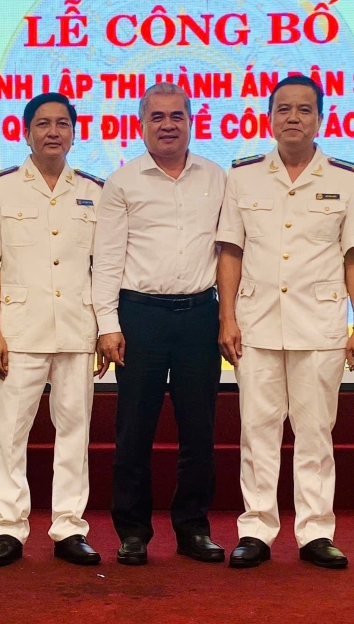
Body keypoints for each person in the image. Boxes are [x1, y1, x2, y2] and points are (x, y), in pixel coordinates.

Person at [216, 74, 354, 570]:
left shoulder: (348, 180)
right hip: (256, 323)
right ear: (269, 117)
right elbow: (230, 251)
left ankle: (316, 533)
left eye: (304, 109)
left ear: (320, 118)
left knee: (315, 434)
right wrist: (226, 318)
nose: (293, 117)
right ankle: (256, 530)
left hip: (319, 324)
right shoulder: (242, 176)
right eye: (283, 108)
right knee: (257, 432)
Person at [93, 82, 227, 566]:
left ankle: (193, 529)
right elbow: (107, 259)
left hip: (199, 317)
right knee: (134, 431)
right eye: (157, 117)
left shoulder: (216, 178)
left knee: (198, 431)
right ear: (141, 123)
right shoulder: (122, 182)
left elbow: (229, 251)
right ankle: (133, 532)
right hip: (140, 318)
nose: (168, 125)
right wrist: (107, 324)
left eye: (176, 116)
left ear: (191, 121)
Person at [0, 93, 103, 567]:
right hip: (19, 330)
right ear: (25, 132)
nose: (53, 131)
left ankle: (69, 527)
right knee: (11, 433)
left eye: (62, 123)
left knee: (75, 431)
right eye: (43, 123)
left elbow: (102, 267)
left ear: (74, 132)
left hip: (77, 327)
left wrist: (103, 329)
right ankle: (9, 529)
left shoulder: (94, 191)